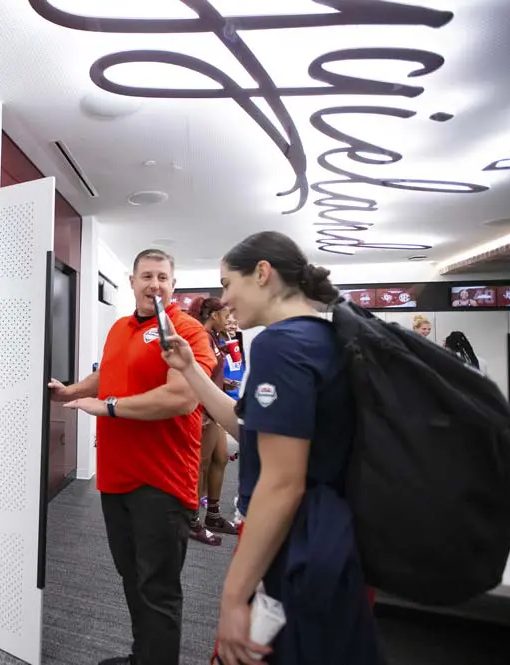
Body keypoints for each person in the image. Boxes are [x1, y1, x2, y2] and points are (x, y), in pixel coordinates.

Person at [161, 231, 384, 665]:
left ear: (262, 273)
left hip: (295, 544)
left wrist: (232, 596)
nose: (223, 299)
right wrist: (190, 369)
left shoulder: (280, 345)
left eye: (227, 284)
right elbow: (253, 429)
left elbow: (282, 484)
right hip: (334, 542)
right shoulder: (325, 337)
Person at [50, 248, 216, 665]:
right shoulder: (120, 328)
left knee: (157, 588)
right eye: (146, 276)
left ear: (173, 285)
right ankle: (144, 656)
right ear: (132, 281)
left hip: (162, 481)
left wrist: (106, 407)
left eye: (162, 277)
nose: (154, 285)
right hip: (115, 477)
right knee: (131, 578)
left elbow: (179, 398)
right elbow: (108, 373)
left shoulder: (187, 331)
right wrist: (71, 391)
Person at [188, 297, 238, 544]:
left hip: (215, 410)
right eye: (225, 315)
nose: (228, 319)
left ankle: (213, 515)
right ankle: (192, 521)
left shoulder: (215, 339)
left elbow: (211, 374)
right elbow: (196, 377)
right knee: (201, 466)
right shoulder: (201, 338)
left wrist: (224, 383)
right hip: (203, 411)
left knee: (220, 458)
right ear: (214, 315)